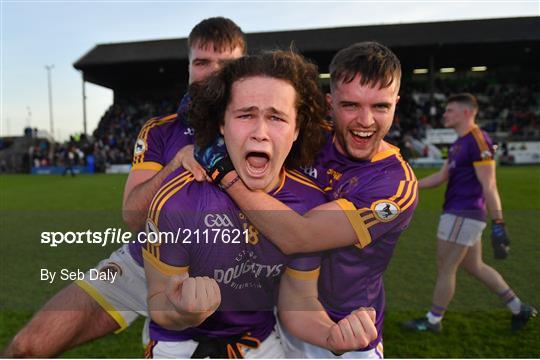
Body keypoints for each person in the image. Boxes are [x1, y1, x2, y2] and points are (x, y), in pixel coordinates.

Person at [3, 17, 246, 357]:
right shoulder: (160, 131)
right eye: (202, 62)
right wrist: (175, 165)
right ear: (189, 68)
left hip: (233, 272)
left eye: (226, 64)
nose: (213, 71)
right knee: (27, 347)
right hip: (146, 260)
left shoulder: (265, 128)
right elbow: (132, 216)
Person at [189, 41, 417, 358]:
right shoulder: (309, 137)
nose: (365, 120)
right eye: (350, 105)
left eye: (380, 106)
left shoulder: (394, 185)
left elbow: (299, 235)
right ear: (330, 102)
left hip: (344, 333)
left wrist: (224, 172)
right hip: (282, 317)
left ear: (396, 104)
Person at [143, 50, 377, 358]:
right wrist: (183, 309)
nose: (260, 133)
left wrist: (330, 336)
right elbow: (159, 306)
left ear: (296, 130)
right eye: (245, 115)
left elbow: (300, 303)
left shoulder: (309, 203)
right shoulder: (177, 200)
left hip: (258, 341)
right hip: (180, 343)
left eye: (277, 117)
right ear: (222, 124)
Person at [402, 93, 536, 332]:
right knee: (475, 266)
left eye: (449, 110)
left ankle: (433, 320)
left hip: (464, 213)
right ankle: (518, 308)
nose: (444, 114)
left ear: (466, 112)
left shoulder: (478, 140)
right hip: (458, 212)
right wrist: (409, 185)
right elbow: (441, 177)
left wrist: (499, 223)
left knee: (446, 266)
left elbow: (490, 184)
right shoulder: (458, 143)